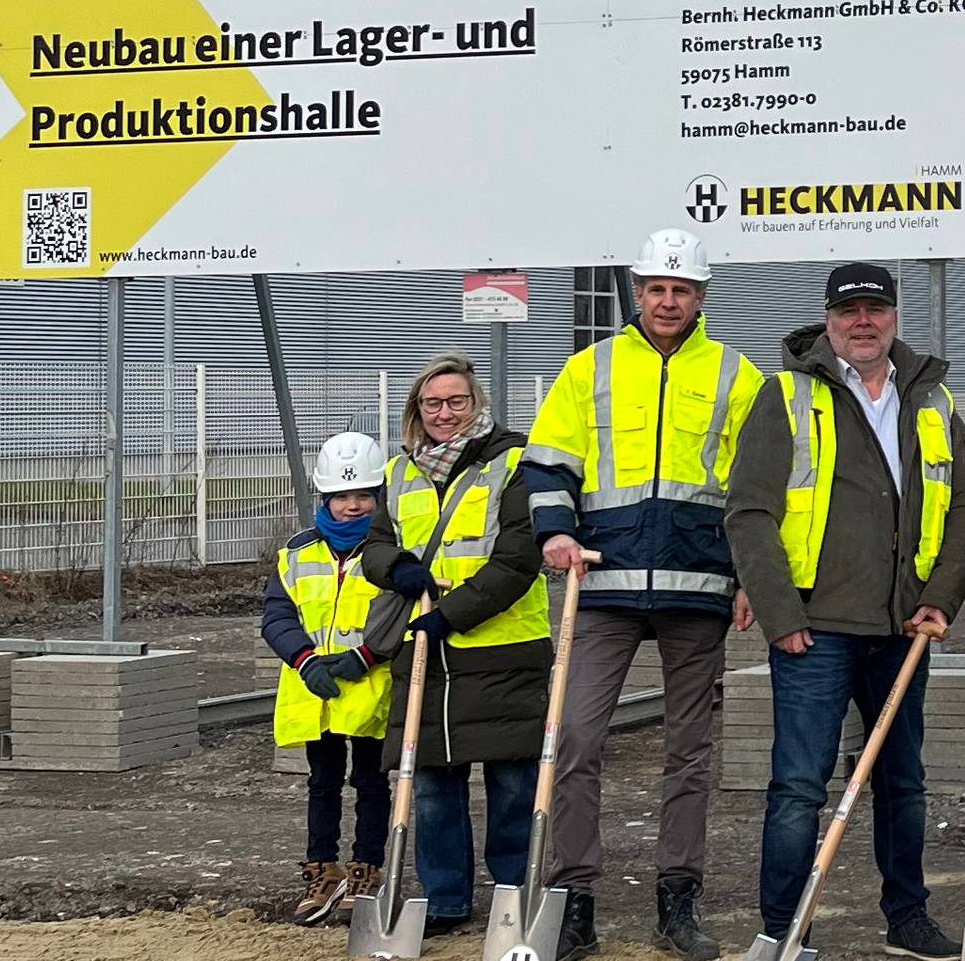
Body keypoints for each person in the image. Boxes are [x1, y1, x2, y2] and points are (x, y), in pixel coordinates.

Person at [522, 228, 767, 960]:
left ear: (701, 296)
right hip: (600, 582)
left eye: (681, 289)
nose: (668, 300)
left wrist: (752, 573)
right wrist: (556, 535)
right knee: (575, 741)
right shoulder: (589, 368)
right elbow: (547, 464)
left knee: (690, 752)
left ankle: (678, 904)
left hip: (700, 585)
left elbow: (758, 486)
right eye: (657, 288)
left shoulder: (736, 374)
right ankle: (573, 903)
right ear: (637, 292)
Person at [724, 263, 965, 961]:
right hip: (813, 629)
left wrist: (940, 597)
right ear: (828, 319)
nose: (862, 321)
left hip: (904, 627)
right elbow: (749, 513)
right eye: (849, 311)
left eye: (875, 308)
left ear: (894, 315)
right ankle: (785, 930)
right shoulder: (786, 395)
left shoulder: (931, 400)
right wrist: (780, 615)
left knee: (904, 783)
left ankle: (908, 917)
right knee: (798, 788)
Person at [357, 352, 550, 940]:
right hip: (427, 656)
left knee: (512, 783)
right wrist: (399, 571)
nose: (444, 413)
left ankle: (515, 896)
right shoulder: (398, 473)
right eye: (432, 403)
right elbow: (373, 546)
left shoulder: (516, 462)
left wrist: (449, 615)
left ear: (477, 403)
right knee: (433, 784)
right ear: (418, 409)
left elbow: (519, 559)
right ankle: (444, 899)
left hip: (502, 651)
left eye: (456, 401)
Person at [261, 431, 395, 927]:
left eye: (363, 495)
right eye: (342, 496)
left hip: (368, 691)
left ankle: (367, 870)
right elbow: (277, 616)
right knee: (321, 783)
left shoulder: (390, 553)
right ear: (325, 498)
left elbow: (399, 614)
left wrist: (366, 655)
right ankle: (322, 871)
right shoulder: (296, 553)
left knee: (371, 782)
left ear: (378, 498)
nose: (352, 506)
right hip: (314, 692)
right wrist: (303, 660)